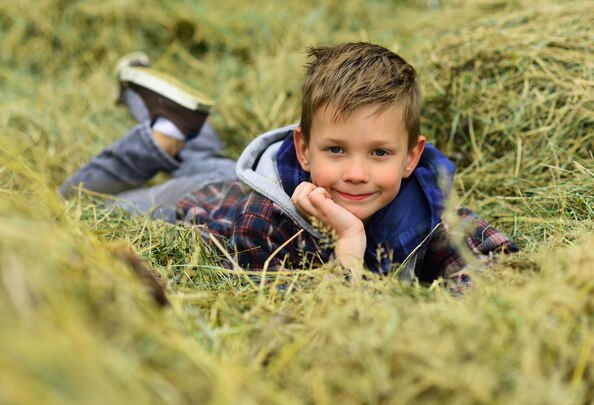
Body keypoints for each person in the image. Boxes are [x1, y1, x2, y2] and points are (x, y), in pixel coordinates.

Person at [60, 43, 518, 292]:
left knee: (211, 162)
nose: (356, 173)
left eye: (379, 153)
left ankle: (179, 121)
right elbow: (314, 322)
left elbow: (503, 279)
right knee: (72, 201)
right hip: (193, 205)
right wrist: (351, 245)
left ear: (411, 158)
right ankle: (160, 135)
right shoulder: (267, 224)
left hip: (236, 176)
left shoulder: (430, 211)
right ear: (303, 149)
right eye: (336, 150)